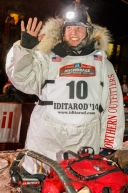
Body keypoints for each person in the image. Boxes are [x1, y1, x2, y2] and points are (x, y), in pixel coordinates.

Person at [5, 1, 125, 174]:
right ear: (62, 31)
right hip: (46, 139)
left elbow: (113, 103)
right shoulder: (46, 57)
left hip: (85, 139)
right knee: (39, 183)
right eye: (69, 28)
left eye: (79, 28)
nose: (73, 33)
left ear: (88, 32)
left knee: (81, 183)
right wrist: (25, 50)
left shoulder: (102, 63)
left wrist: (109, 144)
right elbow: (21, 79)